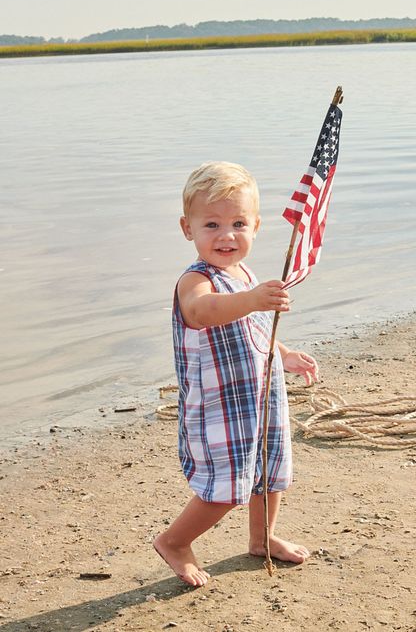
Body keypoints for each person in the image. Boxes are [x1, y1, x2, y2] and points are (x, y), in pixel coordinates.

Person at [153, 161, 318, 587]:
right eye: (212, 224)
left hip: (261, 397)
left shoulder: (245, 275)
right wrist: (252, 300)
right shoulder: (195, 280)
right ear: (187, 228)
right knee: (225, 486)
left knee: (269, 471)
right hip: (220, 404)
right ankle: (174, 541)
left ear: (256, 226)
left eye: (238, 223)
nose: (226, 235)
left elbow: (255, 328)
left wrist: (283, 354)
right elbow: (203, 312)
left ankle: (262, 539)